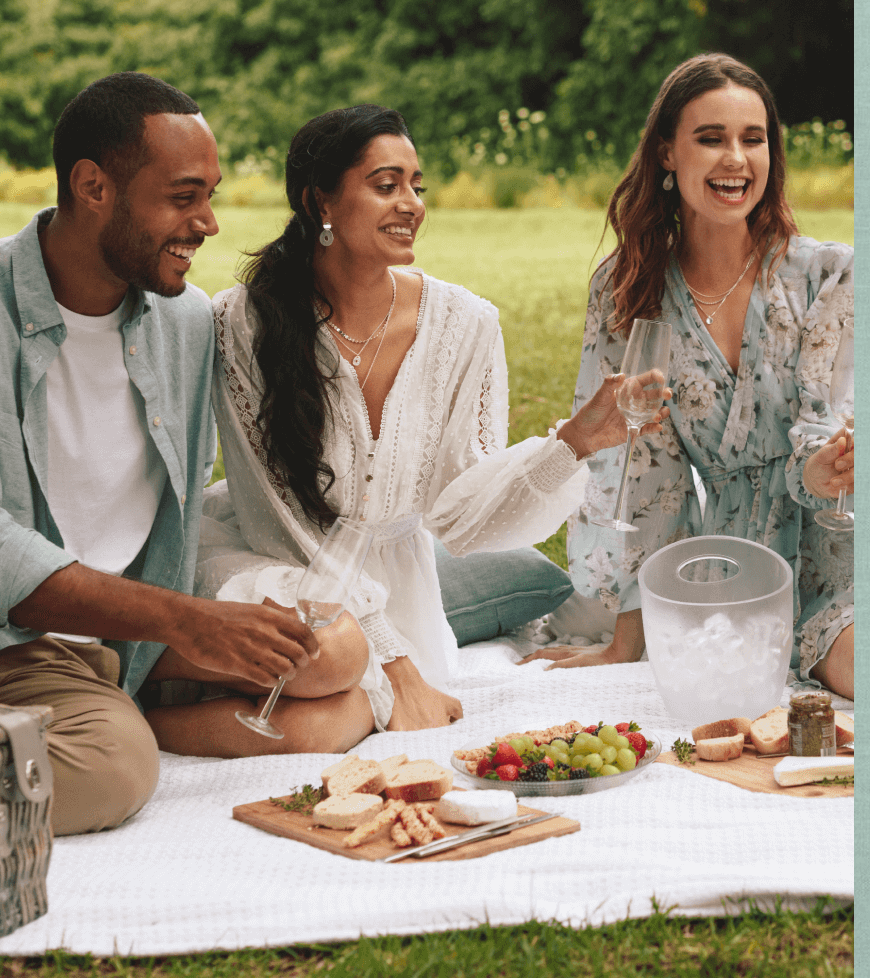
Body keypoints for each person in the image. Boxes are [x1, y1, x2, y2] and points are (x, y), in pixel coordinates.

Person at [145, 105, 659, 756]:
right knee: (333, 655)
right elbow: (281, 518)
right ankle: (136, 668)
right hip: (275, 566)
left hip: (399, 589)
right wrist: (394, 659)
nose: (411, 203)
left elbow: (463, 522)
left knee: (327, 726)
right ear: (319, 202)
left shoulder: (467, 324)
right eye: (386, 185)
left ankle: (142, 720)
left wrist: (572, 446)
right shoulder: (242, 322)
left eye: (418, 185)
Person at [0, 72, 327, 833]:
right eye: (183, 196)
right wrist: (187, 621)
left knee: (330, 654)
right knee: (115, 765)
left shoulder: (185, 323)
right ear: (93, 186)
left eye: (210, 195)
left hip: (115, 639)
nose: (209, 223)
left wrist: (206, 616)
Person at [523, 53, 854, 699]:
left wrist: (820, 469)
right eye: (711, 139)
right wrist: (628, 640)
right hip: (728, 569)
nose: (736, 159)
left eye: (752, 139)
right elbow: (642, 473)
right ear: (667, 154)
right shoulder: (629, 290)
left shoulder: (830, 275)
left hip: (839, 553)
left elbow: (833, 418)